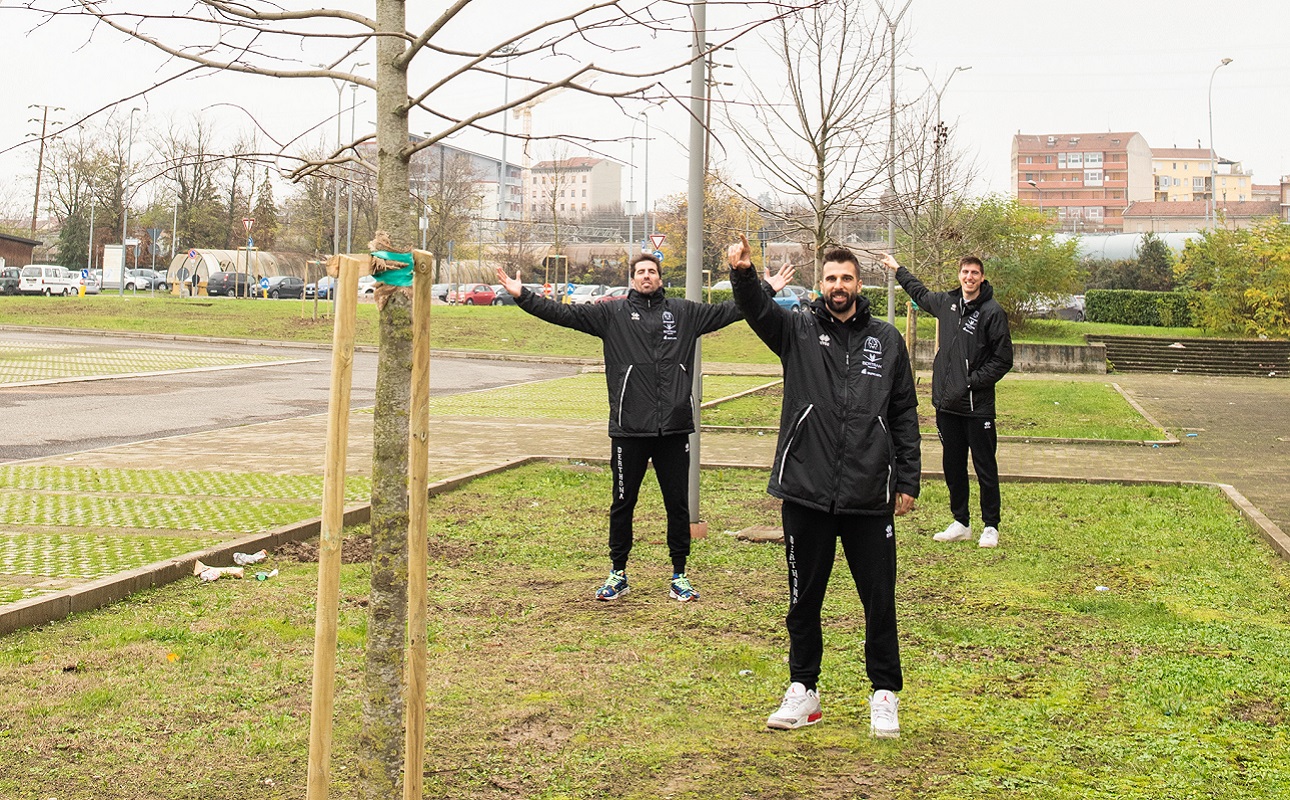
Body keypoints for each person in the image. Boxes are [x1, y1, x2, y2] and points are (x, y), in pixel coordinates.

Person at [496, 254, 793, 603]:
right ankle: (617, 572)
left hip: (674, 429)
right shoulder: (612, 314)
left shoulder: (684, 313)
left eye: (652, 271)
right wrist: (522, 295)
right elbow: (563, 314)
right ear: (633, 279)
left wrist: (766, 289)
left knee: (677, 505)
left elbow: (733, 310)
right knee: (623, 502)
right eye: (640, 272)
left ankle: (679, 574)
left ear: (660, 277)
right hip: (629, 429)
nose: (646, 276)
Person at [728, 235, 920, 739]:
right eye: (831, 278)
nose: (838, 286)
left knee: (879, 600)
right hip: (805, 490)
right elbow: (755, 309)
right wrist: (745, 273)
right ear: (821, 284)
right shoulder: (795, 329)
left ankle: (883, 694)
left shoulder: (887, 339)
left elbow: (903, 413)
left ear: (860, 284)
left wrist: (908, 478)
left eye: (846, 278)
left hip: (867, 494)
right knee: (803, 599)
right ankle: (803, 691)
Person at [880, 253, 1013, 549]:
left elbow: (1003, 359)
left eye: (975, 273)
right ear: (959, 275)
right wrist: (898, 269)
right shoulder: (947, 304)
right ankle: (961, 522)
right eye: (965, 272)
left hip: (977, 408)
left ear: (982, 277)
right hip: (947, 406)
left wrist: (971, 381)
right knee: (953, 466)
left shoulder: (992, 312)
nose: (969, 277)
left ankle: (990, 526)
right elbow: (920, 292)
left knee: (984, 467)